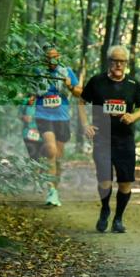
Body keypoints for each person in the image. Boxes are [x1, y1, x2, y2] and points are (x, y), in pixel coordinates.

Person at [80, 45, 140, 233]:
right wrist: (85, 124)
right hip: (102, 139)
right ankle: (105, 209)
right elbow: (81, 101)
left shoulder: (132, 84)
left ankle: (118, 218)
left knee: (125, 182)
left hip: (125, 140)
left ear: (126, 63)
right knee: (105, 181)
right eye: (115, 61)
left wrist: (133, 116)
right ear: (109, 61)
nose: (118, 64)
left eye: (122, 61)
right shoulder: (97, 81)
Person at [34, 45, 82, 206]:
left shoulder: (66, 71)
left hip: (62, 117)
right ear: (44, 59)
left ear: (59, 57)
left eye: (55, 57)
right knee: (51, 150)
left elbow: (79, 92)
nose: (52, 61)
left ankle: (55, 189)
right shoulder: (38, 72)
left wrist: (69, 85)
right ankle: (51, 191)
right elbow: (29, 91)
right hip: (43, 115)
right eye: (49, 58)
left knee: (58, 158)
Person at [19, 95, 44, 160]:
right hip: (29, 132)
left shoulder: (47, 100)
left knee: (43, 158)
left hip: (44, 134)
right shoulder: (27, 100)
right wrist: (24, 117)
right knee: (33, 156)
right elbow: (20, 114)